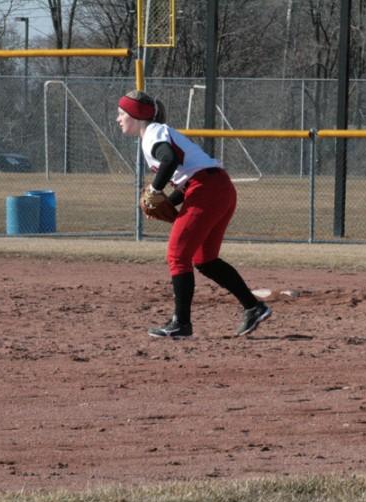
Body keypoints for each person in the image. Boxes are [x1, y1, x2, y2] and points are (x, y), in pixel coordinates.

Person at [116, 90, 272, 338]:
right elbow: (187, 179)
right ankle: (253, 307)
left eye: (122, 113)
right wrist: (166, 199)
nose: (118, 118)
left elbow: (169, 162)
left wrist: (155, 190)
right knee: (205, 259)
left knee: (177, 254)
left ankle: (181, 324)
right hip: (217, 187)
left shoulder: (153, 133)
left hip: (208, 189)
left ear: (137, 115)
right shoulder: (157, 133)